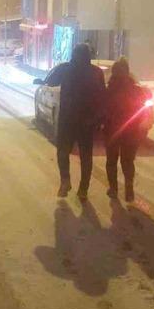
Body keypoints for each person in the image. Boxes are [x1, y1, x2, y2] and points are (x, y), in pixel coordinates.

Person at [46, 43, 106, 200]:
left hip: (68, 119)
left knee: (63, 151)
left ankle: (65, 180)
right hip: (87, 121)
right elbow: (102, 96)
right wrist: (100, 118)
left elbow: (51, 81)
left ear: (73, 54)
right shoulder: (96, 72)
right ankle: (83, 189)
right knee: (86, 156)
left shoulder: (66, 69)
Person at [103, 57, 151, 202]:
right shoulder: (137, 91)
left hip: (112, 131)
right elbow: (143, 110)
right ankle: (129, 190)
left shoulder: (108, 90)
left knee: (111, 160)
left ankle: (113, 189)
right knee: (128, 161)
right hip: (131, 131)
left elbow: (103, 110)